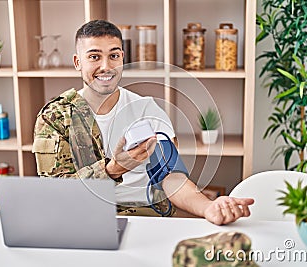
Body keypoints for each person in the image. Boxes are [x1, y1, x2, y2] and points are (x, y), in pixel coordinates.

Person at [32, 20, 254, 225]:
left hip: (146, 217)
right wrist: (113, 169)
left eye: (114, 56)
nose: (106, 66)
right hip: (85, 221)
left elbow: (171, 177)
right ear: (77, 62)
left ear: (123, 59)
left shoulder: (147, 109)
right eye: (94, 57)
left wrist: (208, 207)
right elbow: (58, 193)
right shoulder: (54, 117)